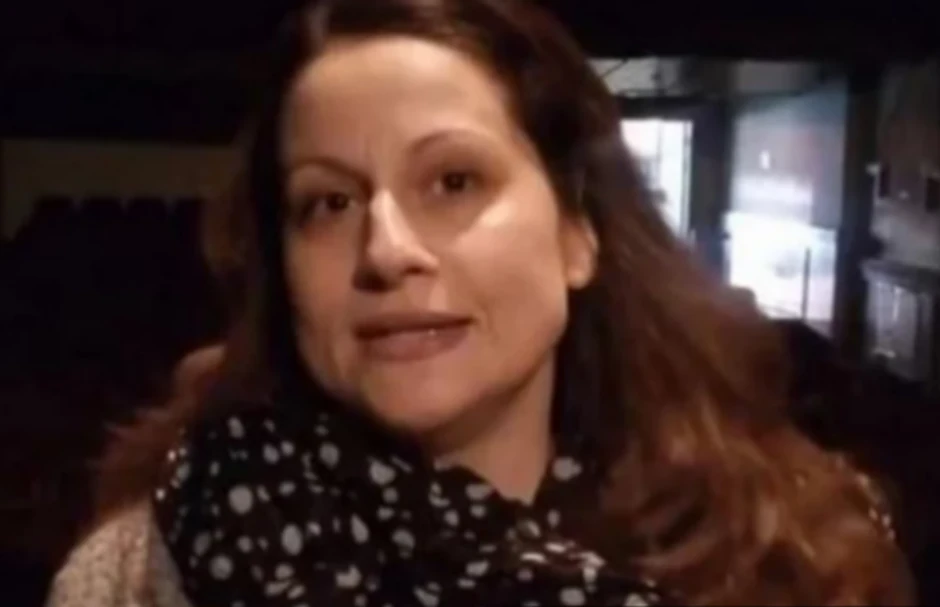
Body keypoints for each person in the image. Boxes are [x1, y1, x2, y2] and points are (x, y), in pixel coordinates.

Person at [47, 0, 914, 605]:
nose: (385, 249)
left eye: (453, 181)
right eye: (328, 202)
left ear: (577, 234)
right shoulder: (136, 578)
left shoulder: (793, 560)